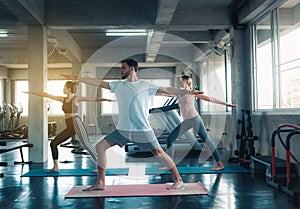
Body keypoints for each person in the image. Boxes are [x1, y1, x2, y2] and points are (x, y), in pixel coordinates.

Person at [61, 59, 203, 190]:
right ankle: (101, 182)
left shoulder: (145, 85)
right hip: (122, 130)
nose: (120, 70)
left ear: (132, 69)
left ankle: (178, 179)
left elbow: (167, 90)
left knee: (158, 152)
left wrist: (188, 91)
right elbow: (97, 81)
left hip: (142, 129)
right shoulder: (118, 85)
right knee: (100, 147)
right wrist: (77, 78)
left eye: (123, 68)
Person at [25, 81, 114, 172]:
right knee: (53, 144)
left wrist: (105, 99)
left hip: (77, 123)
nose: (63, 89)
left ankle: (101, 166)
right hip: (69, 127)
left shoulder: (76, 99)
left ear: (69, 89)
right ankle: (56, 167)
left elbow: (91, 98)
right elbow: (47, 95)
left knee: (87, 145)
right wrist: (32, 92)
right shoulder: (62, 99)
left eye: (64, 87)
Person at [165, 74, 237, 171]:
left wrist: (226, 104)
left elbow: (210, 99)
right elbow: (174, 103)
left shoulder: (193, 92)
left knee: (207, 141)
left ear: (187, 82)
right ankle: (170, 164)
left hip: (195, 119)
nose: (180, 82)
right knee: (170, 138)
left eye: (181, 80)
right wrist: (156, 109)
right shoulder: (180, 93)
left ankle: (220, 164)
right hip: (186, 121)